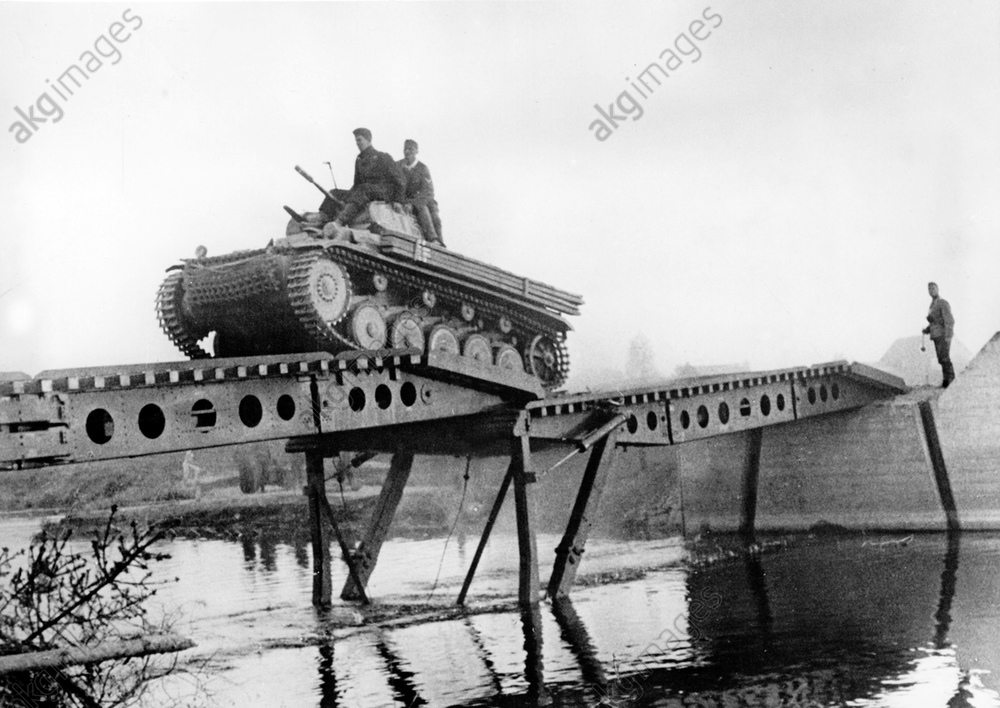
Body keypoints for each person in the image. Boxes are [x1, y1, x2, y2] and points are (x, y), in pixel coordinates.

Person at [332, 128, 406, 228]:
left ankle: (340, 221)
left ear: (368, 140)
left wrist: (398, 200)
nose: (357, 143)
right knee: (334, 192)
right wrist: (346, 198)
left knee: (364, 188)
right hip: (366, 191)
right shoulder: (359, 159)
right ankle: (323, 218)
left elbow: (400, 180)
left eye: (359, 140)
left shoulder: (383, 157)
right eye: (356, 141)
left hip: (384, 191)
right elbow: (356, 183)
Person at [398, 139, 444, 245]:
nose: (407, 152)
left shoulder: (422, 169)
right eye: (406, 149)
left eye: (411, 149)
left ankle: (439, 241)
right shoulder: (398, 166)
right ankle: (432, 238)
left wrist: (413, 203)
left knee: (434, 216)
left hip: (421, 198)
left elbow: (428, 191)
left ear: (416, 151)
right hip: (405, 199)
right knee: (422, 209)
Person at [922, 281, 955, 388]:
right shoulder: (932, 305)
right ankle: (948, 379)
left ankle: (949, 380)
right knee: (941, 358)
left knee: (944, 358)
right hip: (936, 335)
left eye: (933, 288)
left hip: (943, 335)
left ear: (938, 289)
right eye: (929, 289)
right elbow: (934, 322)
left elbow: (949, 320)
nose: (931, 290)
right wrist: (927, 330)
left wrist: (948, 336)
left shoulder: (942, 302)